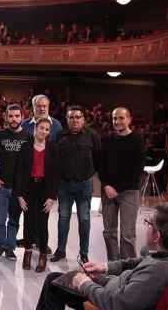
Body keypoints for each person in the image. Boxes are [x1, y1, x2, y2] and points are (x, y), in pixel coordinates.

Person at [36, 202, 168, 310]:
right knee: (61, 277)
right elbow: (141, 261)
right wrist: (106, 267)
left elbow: (116, 303)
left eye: (148, 223)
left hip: (107, 298)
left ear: (157, 236)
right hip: (116, 285)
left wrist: (84, 283)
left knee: (53, 282)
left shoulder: (156, 273)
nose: (146, 226)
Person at [52, 105, 101, 263]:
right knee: (63, 218)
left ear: (83, 119)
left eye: (78, 117)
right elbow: (55, 160)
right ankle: (60, 251)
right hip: (64, 185)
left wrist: (89, 174)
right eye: (71, 117)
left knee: (84, 219)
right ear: (67, 119)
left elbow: (98, 158)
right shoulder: (60, 136)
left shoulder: (92, 136)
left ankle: (84, 253)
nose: (75, 120)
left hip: (84, 185)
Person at [99, 107, 145, 260]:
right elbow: (101, 165)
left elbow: (137, 170)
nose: (117, 121)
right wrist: (106, 185)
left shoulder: (137, 140)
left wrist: (117, 189)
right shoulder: (107, 139)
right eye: (114, 119)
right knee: (109, 232)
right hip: (108, 191)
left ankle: (127, 266)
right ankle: (113, 265)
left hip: (129, 192)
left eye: (120, 118)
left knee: (127, 233)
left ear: (129, 119)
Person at [15, 118, 60, 272]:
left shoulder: (53, 148)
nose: (44, 131)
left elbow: (55, 174)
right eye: (41, 128)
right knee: (28, 221)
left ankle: (42, 255)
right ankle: (27, 252)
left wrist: (52, 196)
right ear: (35, 128)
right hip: (28, 188)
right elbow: (20, 173)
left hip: (45, 189)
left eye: (47, 129)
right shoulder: (25, 147)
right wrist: (19, 195)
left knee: (42, 223)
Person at [0, 104, 30, 261]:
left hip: (19, 188)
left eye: (17, 116)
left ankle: (10, 247)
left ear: (22, 117)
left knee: (14, 220)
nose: (14, 119)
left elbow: (30, 164)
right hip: (1, 185)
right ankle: (1, 245)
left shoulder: (29, 137)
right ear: (6, 117)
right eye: (11, 116)